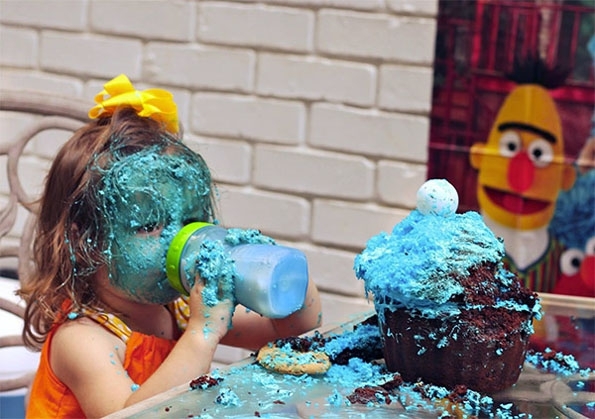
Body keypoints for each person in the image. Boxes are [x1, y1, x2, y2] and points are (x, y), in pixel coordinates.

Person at [19, 74, 322, 418]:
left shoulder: (176, 308)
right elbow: (135, 415)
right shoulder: (84, 339)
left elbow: (295, 329)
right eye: (149, 225)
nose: (179, 240)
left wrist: (283, 273)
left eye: (192, 221)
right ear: (87, 239)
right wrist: (201, 334)